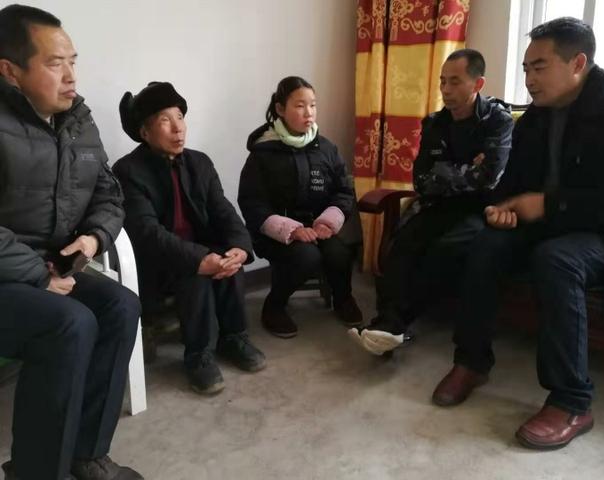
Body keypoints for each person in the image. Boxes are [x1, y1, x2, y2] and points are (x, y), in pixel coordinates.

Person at [431, 17, 604, 450]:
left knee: (557, 259)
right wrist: (501, 209)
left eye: (539, 67)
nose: (528, 79)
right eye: (526, 68)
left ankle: (572, 400)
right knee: (486, 242)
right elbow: (512, 184)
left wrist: (549, 205)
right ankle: (472, 360)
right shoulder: (535, 118)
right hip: (550, 221)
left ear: (577, 63)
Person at [0, 5, 143, 480]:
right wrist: (37, 275)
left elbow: (109, 194)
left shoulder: (79, 120)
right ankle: (36, 472)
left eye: (72, 61)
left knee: (121, 305)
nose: (70, 76)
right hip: (11, 274)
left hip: (50, 265)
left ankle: (86, 454)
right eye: (54, 63)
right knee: (70, 324)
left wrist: (92, 239)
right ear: (10, 71)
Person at [348, 49, 513, 355]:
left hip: (482, 208)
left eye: (455, 82)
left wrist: (446, 172)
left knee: (445, 248)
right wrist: (467, 170)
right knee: (404, 240)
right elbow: (421, 179)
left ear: (478, 84)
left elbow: (488, 178)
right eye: (442, 81)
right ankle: (387, 324)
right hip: (439, 204)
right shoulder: (434, 123)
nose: (445, 89)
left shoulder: (498, 121)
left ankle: (395, 325)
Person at [114, 82, 265, 396]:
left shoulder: (200, 162)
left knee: (228, 260)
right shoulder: (128, 170)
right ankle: (198, 355)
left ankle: (234, 338)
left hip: (198, 248)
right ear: (145, 132)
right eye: (165, 120)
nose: (178, 128)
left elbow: (223, 210)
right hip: (156, 263)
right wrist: (199, 259)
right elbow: (147, 233)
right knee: (194, 272)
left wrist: (239, 247)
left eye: (180, 117)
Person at [238, 76, 361, 338]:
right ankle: (274, 306)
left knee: (339, 253)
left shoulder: (326, 148)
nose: (309, 113)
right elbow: (251, 202)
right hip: (275, 232)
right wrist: (291, 230)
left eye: (313, 105)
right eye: (300, 106)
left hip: (318, 226)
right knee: (306, 257)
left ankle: (343, 298)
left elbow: (343, 190)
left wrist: (327, 221)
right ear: (280, 109)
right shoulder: (263, 152)